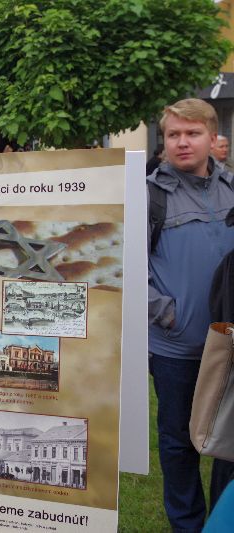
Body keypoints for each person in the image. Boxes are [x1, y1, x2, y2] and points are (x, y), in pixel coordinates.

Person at [148, 98, 234, 531]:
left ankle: (220, 521)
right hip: (176, 347)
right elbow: (125, 269)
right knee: (178, 443)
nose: (182, 142)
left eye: (192, 133)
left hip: (229, 345)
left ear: (213, 138)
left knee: (230, 441)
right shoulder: (148, 195)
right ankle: (187, 525)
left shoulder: (231, 187)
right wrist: (168, 314)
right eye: (173, 134)